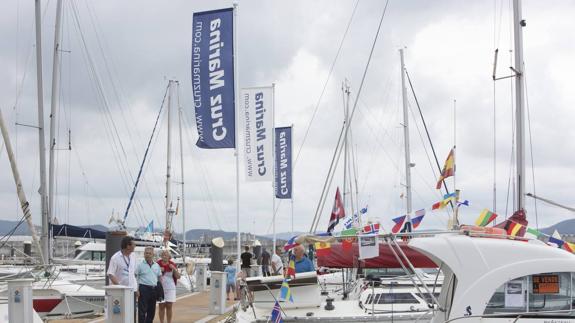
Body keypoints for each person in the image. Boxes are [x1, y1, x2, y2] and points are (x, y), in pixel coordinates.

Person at [107, 236, 138, 318]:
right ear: (128, 246)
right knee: (121, 314)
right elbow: (111, 274)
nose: (135, 246)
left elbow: (133, 273)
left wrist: (137, 288)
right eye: (134, 244)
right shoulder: (115, 258)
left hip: (132, 290)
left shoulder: (133, 256)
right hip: (121, 292)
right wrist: (121, 288)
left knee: (133, 313)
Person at [136, 247, 161, 323]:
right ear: (144, 254)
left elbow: (159, 278)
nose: (148, 255)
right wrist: (137, 290)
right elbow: (136, 278)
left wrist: (159, 290)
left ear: (153, 254)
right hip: (143, 289)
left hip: (153, 290)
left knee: (151, 311)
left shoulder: (156, 265)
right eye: (146, 253)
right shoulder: (140, 265)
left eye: (149, 253)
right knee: (142, 311)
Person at [157, 250, 180, 323]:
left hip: (170, 288)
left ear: (169, 257)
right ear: (161, 256)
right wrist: (159, 270)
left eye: (166, 255)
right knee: (161, 306)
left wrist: (173, 268)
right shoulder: (157, 264)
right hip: (160, 288)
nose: (164, 256)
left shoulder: (172, 264)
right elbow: (153, 274)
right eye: (163, 255)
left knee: (169, 306)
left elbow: (178, 276)